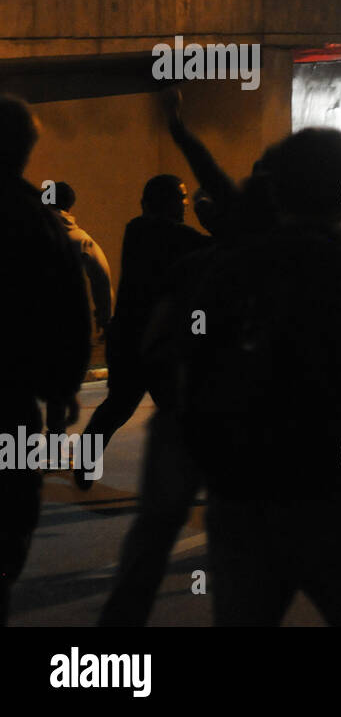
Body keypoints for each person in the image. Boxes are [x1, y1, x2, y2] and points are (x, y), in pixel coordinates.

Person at [164, 128, 341, 625]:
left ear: (276, 190)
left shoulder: (228, 274)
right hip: (329, 502)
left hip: (242, 505)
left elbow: (188, 384)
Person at [0, 97, 90, 625]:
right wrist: (60, 392)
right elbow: (67, 313)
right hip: (9, 401)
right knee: (9, 521)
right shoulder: (39, 221)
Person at [74, 175, 210, 492]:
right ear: (163, 202)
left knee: (122, 408)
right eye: (181, 200)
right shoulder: (152, 230)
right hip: (150, 341)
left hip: (134, 339)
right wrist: (215, 215)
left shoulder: (141, 230)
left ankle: (86, 460)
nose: (184, 206)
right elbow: (212, 246)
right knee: (163, 411)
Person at [50, 181, 113, 340]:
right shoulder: (81, 239)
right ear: (70, 206)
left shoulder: (29, 230)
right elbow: (101, 278)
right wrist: (105, 318)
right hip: (69, 317)